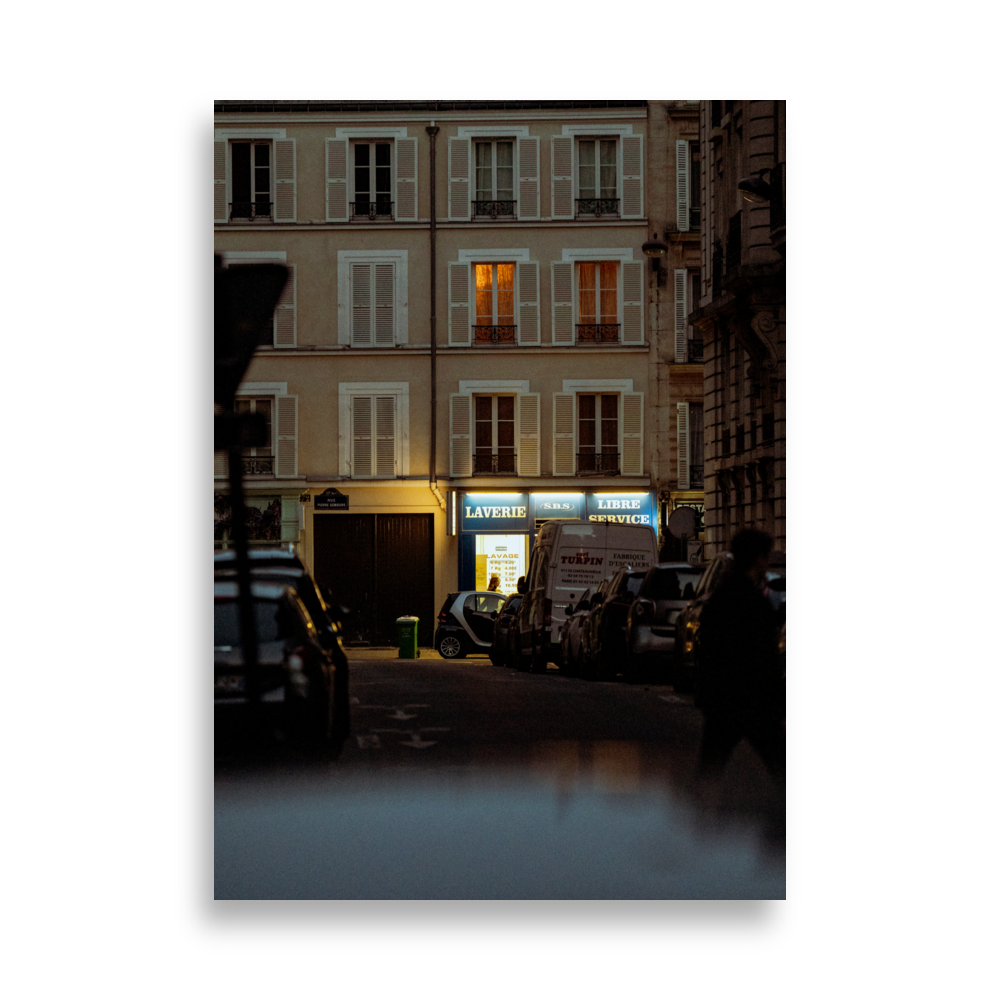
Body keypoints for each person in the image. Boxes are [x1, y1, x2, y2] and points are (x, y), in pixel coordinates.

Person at [694, 528, 785, 785]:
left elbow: (708, 650)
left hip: (723, 699)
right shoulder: (753, 600)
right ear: (757, 558)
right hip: (754, 700)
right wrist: (776, 699)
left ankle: (701, 816)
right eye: (765, 556)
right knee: (779, 763)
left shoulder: (720, 597)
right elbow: (765, 656)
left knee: (711, 767)